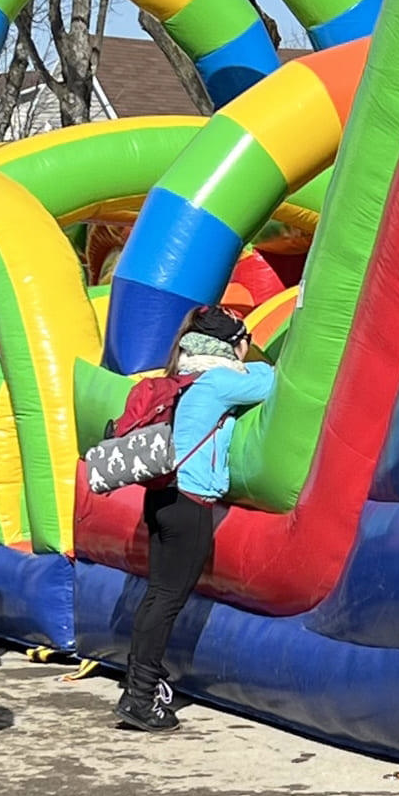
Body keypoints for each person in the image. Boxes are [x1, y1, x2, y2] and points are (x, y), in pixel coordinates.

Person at [117, 310, 274, 734]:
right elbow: (274, 382)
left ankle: (137, 687)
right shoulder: (219, 382)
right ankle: (141, 696)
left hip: (161, 498)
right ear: (232, 345)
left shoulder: (181, 377)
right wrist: (253, 358)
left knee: (156, 597)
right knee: (168, 601)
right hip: (191, 505)